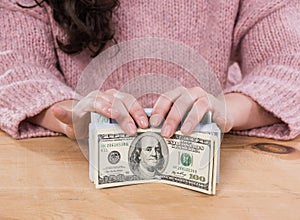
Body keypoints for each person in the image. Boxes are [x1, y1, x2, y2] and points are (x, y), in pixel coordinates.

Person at [0, 0, 299, 141]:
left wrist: (224, 110)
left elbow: (290, 61)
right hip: (69, 170)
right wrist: (68, 113)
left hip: (218, 170)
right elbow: (13, 63)